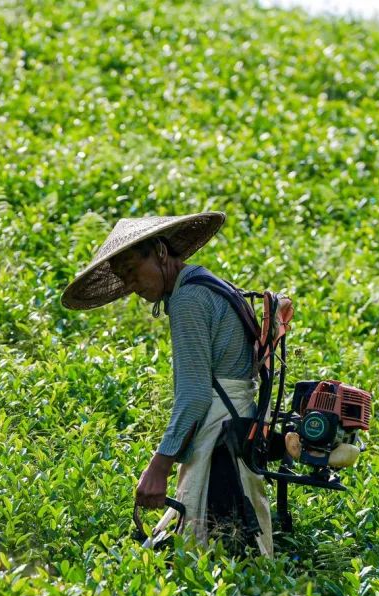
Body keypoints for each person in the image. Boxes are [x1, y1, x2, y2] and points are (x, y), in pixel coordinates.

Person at [61, 212, 274, 557]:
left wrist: (158, 467)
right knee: (238, 549)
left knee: (211, 556)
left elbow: (194, 395)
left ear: (159, 252)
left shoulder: (188, 299)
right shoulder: (209, 284)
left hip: (219, 437)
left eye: (132, 270)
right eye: (122, 277)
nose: (131, 285)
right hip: (238, 428)